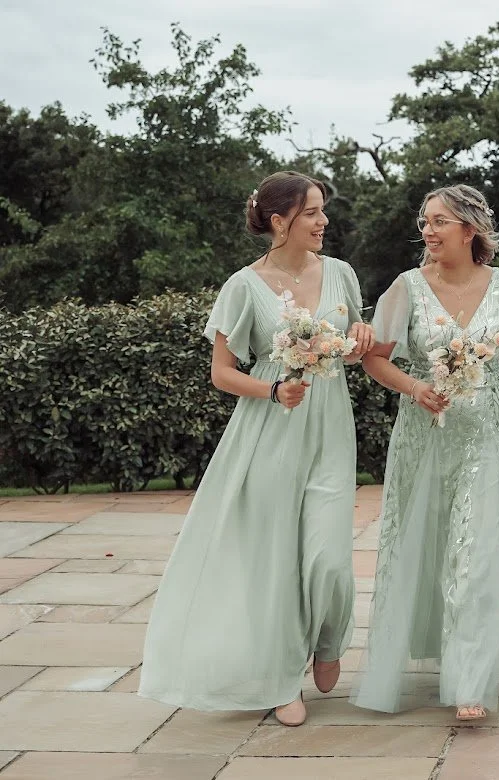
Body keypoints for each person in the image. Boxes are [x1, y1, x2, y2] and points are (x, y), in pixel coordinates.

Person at [140, 171, 375, 727]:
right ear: (279, 221)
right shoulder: (243, 286)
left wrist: (362, 338)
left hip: (329, 427)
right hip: (270, 428)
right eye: (313, 212)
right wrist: (273, 389)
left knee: (329, 560)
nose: (323, 221)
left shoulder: (341, 274)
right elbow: (222, 372)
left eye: (322, 211)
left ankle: (326, 638)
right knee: (273, 559)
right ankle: (278, 676)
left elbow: (354, 339)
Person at [352, 184, 499, 721]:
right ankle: (426, 653)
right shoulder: (405, 288)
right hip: (423, 433)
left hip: (487, 433)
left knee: (476, 550)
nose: (427, 231)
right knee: (423, 544)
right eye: (425, 222)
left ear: (470, 230)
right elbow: (374, 360)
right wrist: (415, 389)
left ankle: (470, 680)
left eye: (439, 222)